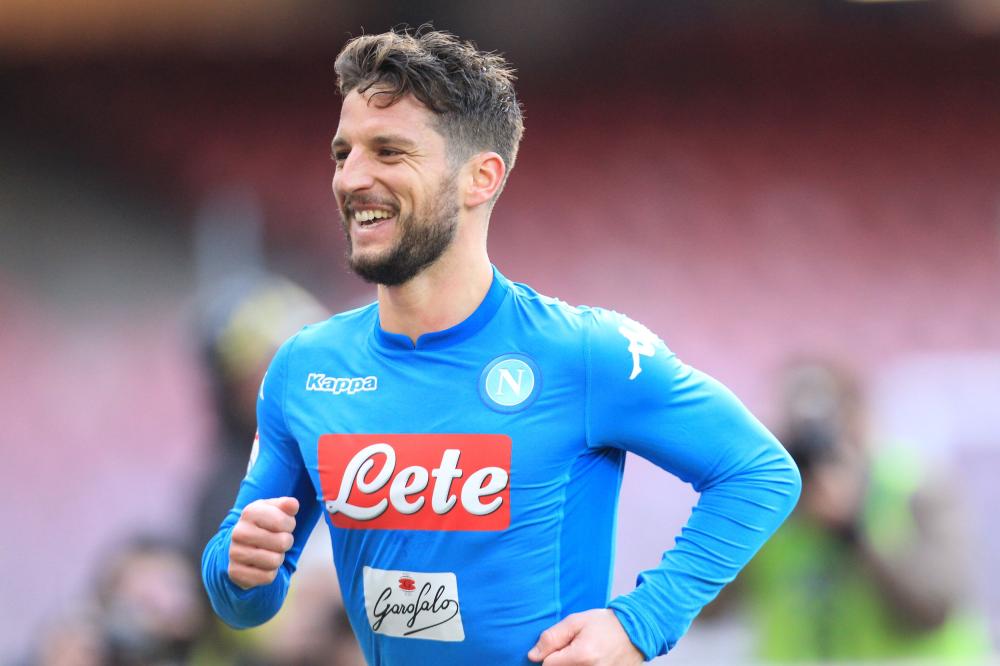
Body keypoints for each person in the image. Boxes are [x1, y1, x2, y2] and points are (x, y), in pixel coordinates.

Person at [201, 27, 801, 665]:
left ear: (480, 178)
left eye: (389, 151)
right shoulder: (305, 366)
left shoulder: (585, 352)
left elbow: (760, 472)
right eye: (342, 152)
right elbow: (241, 598)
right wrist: (243, 567)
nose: (352, 178)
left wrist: (640, 623)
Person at [740, 360, 991, 662]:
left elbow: (933, 608)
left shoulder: (914, 488)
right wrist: (737, 514)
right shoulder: (770, 506)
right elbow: (703, 609)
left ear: (860, 419)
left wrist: (855, 529)